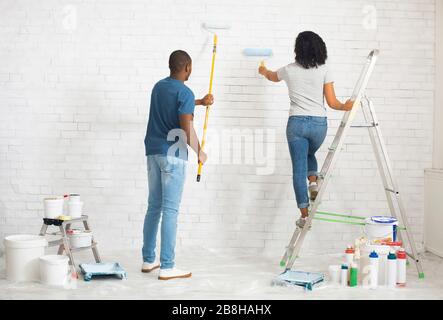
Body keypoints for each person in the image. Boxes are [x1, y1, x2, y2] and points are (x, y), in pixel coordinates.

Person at [258, 31, 353, 228]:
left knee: (297, 169)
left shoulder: (289, 70)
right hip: (319, 125)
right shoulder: (325, 70)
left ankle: (304, 215)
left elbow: (271, 77)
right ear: (320, 48)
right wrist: (346, 106)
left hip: (297, 125)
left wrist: (262, 69)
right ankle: (313, 182)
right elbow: (333, 102)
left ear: (298, 49)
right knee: (310, 152)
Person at [142, 50, 214, 280]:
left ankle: (148, 259)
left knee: (154, 206)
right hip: (173, 156)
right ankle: (167, 266)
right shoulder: (185, 92)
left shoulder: (159, 87)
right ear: (188, 68)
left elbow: (176, 104)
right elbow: (185, 127)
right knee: (170, 210)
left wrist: (201, 102)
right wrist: (199, 151)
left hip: (153, 153)